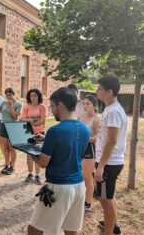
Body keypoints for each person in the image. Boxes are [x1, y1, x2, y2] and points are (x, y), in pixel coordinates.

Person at [28, 87, 90, 235]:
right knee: (71, 229)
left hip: (57, 187)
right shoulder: (85, 129)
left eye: (53, 106)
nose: (52, 110)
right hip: (79, 186)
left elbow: (43, 162)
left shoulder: (55, 131)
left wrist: (30, 151)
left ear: (61, 105)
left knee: (34, 229)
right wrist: (47, 140)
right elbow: (71, 148)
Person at [94, 76, 127, 235]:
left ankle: (110, 232)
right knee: (107, 197)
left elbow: (112, 141)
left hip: (109, 163)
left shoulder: (114, 111)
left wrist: (100, 166)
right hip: (107, 161)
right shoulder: (110, 108)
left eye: (99, 88)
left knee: (105, 200)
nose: (96, 90)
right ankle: (112, 226)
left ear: (110, 91)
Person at [20, 88, 46, 184]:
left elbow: (43, 121)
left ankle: (38, 175)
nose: (33, 97)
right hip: (28, 132)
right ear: (29, 97)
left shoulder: (42, 107)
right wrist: (34, 120)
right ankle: (30, 173)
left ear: (38, 96)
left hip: (40, 133)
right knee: (29, 154)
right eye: (31, 95)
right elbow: (22, 119)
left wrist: (30, 121)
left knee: (38, 153)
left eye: (35, 95)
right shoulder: (26, 107)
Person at [80, 95, 100, 212]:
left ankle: (87, 204)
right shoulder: (82, 118)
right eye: (83, 103)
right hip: (80, 149)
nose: (85, 106)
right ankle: (83, 199)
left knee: (87, 178)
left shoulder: (97, 120)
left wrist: (84, 138)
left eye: (88, 104)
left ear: (94, 105)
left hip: (90, 151)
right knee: (81, 177)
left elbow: (99, 138)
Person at [0, 87, 23, 175]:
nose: (8, 97)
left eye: (10, 95)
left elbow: (15, 116)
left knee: (12, 147)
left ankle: (12, 166)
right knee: (5, 147)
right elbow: (0, 109)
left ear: (13, 94)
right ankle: (6, 165)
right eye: (7, 95)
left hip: (13, 127)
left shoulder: (19, 104)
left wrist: (11, 106)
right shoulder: (4, 102)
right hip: (3, 125)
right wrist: (5, 115)